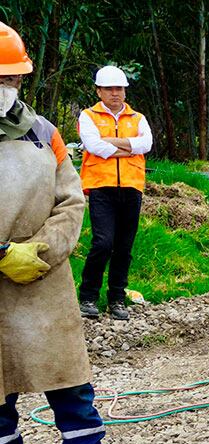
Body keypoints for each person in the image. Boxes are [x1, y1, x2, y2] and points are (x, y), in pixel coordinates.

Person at [0, 22, 144, 444]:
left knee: (71, 389)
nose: (6, 89)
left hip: (43, 282)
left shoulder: (43, 133)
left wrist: (39, 250)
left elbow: (71, 201)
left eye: (12, 80)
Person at [76, 65, 152, 321]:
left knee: (124, 246)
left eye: (118, 88)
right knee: (103, 243)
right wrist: (130, 147)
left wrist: (111, 143)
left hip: (131, 187)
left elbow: (147, 144)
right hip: (101, 187)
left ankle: (117, 298)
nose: (115, 93)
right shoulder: (88, 116)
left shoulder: (138, 118)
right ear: (99, 91)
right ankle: (88, 296)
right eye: (108, 89)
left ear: (125, 91)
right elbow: (93, 146)